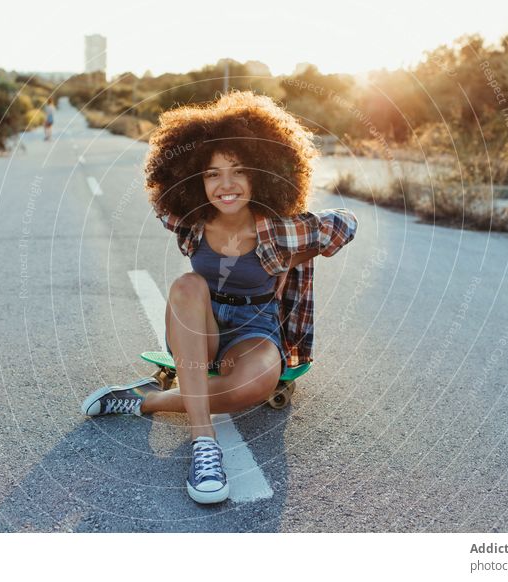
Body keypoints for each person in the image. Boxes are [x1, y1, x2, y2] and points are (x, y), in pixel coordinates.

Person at [80, 90, 358, 504]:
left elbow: (345, 223)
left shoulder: (278, 228)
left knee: (256, 386)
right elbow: (163, 200)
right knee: (187, 285)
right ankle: (204, 445)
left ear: (261, 173)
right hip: (200, 325)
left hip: (256, 327)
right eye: (211, 174)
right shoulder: (191, 220)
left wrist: (301, 251)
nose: (225, 185)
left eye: (238, 171)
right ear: (194, 178)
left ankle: (146, 400)